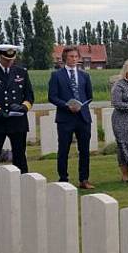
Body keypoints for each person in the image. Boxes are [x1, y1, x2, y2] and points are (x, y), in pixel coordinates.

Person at [0, 44, 34, 173]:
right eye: (6, 60)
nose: (9, 62)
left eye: (12, 60)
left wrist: (23, 108)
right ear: (0, 56)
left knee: (20, 156)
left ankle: (23, 183)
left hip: (18, 121)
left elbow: (29, 96)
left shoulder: (22, 72)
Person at [48, 46, 95, 189]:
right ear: (65, 58)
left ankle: (84, 179)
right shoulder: (56, 76)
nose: (73, 59)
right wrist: (66, 106)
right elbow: (52, 97)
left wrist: (82, 105)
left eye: (75, 56)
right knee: (64, 149)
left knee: (84, 150)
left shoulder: (84, 76)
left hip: (82, 117)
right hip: (65, 117)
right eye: (70, 57)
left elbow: (89, 96)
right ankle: (63, 179)